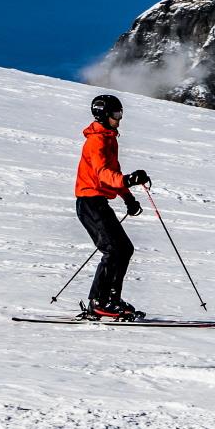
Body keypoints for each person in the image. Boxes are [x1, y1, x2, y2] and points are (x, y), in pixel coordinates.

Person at [75, 93, 152, 320]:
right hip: (89, 203)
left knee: (124, 249)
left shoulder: (109, 139)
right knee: (113, 250)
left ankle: (110, 299)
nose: (120, 119)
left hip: (98, 202)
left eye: (121, 114)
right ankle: (99, 302)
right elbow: (103, 174)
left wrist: (128, 198)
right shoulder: (96, 141)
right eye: (117, 114)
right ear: (105, 114)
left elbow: (113, 175)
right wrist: (127, 180)